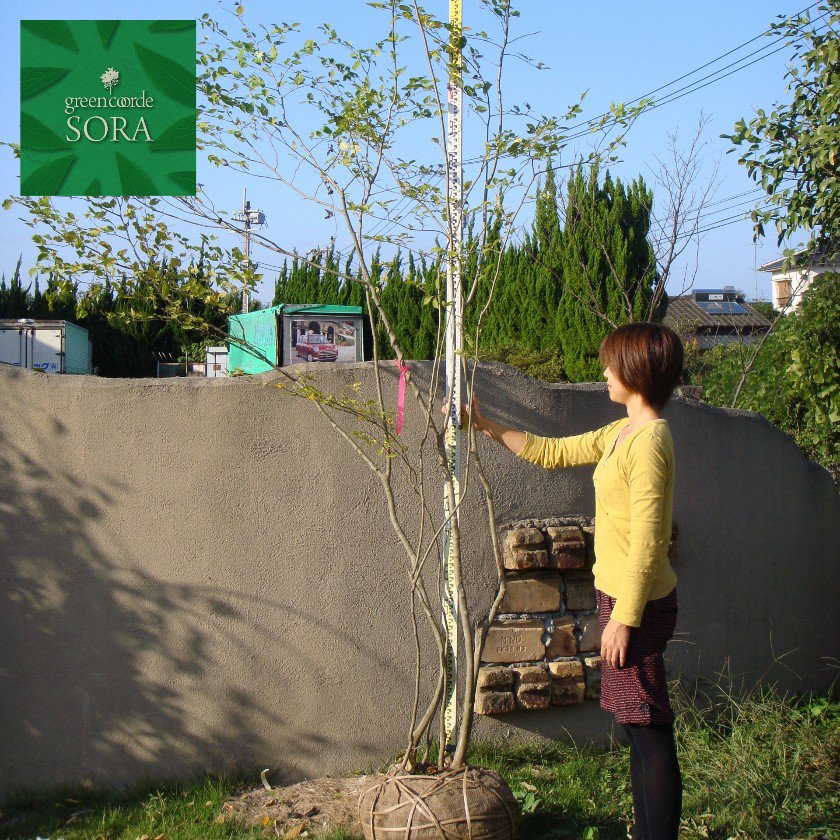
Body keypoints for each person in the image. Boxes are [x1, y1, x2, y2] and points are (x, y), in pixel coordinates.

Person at [454, 322, 684, 840]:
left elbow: (651, 541)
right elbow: (549, 451)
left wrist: (624, 621)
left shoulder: (649, 441)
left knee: (648, 730)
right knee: (634, 724)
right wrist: (484, 424)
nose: (604, 372)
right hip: (621, 597)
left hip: (639, 603)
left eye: (611, 363)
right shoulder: (620, 433)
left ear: (635, 370)